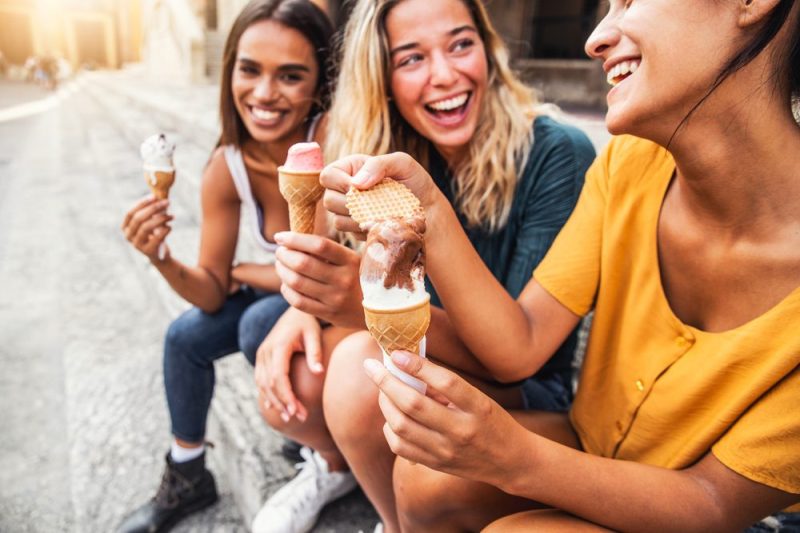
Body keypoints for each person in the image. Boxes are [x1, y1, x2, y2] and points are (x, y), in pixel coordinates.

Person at [319, 0, 800, 530]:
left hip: (739, 514)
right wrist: (429, 208)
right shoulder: (627, 164)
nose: (596, 38)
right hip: (592, 438)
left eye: (631, 1)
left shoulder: (560, 151)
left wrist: (513, 457)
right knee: (424, 478)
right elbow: (520, 343)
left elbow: (713, 502)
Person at [250, 0, 596, 531]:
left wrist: (355, 306)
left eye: (461, 44)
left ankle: (404, 515)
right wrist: (306, 308)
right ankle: (366, 490)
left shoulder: (556, 153)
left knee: (353, 371)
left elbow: (517, 360)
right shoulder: (390, 155)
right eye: (411, 58)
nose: (445, 75)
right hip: (435, 358)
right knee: (293, 365)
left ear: (489, 50)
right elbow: (358, 275)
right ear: (383, 79)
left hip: (528, 389)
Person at [117, 1, 333, 531]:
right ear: (229, 69)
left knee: (261, 321)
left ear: (320, 84)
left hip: (332, 304)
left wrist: (249, 272)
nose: (263, 94)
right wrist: (160, 256)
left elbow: (321, 267)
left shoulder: (335, 141)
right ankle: (187, 471)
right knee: (184, 337)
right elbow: (212, 292)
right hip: (285, 295)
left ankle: (311, 434)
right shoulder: (226, 166)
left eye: (290, 75)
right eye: (250, 69)